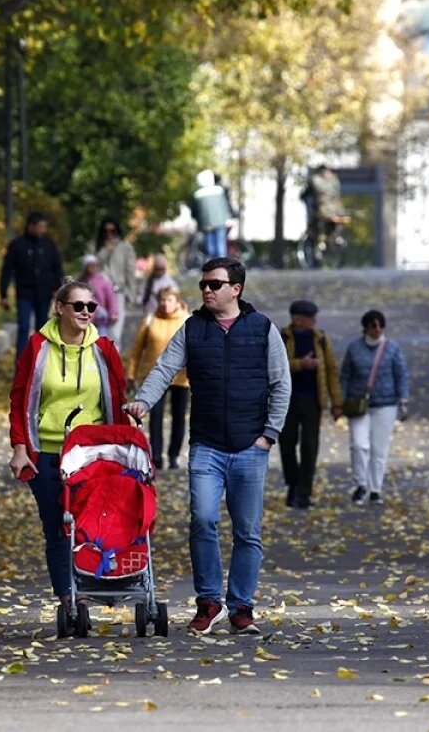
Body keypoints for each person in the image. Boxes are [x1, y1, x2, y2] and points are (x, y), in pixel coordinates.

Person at [125, 257, 291, 636]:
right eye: (203, 284)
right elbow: (165, 369)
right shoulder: (193, 329)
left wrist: (269, 434)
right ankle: (209, 602)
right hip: (207, 446)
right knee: (202, 520)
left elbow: (281, 383)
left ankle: (241, 607)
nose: (207, 290)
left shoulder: (262, 329)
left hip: (251, 447)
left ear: (236, 289)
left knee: (247, 531)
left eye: (215, 284)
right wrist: (143, 402)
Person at [8, 279, 129, 619]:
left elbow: (117, 399)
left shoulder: (104, 348)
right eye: (78, 306)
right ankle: (69, 597)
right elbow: (19, 399)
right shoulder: (37, 347)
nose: (86, 312)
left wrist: (124, 445)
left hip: (93, 454)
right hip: (47, 450)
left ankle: (89, 586)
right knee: (57, 526)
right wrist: (19, 446)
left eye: (91, 307)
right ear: (60, 308)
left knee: (91, 523)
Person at [339, 309, 409, 506]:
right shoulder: (354, 348)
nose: (377, 329)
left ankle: (375, 489)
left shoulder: (392, 348)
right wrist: (341, 400)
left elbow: (401, 374)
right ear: (366, 328)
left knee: (379, 448)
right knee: (359, 444)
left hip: (386, 404)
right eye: (373, 325)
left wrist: (403, 399)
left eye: (380, 325)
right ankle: (360, 484)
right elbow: (345, 375)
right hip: (358, 403)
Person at [278, 300, 343, 509]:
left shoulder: (320, 339)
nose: (314, 321)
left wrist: (336, 403)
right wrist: (301, 364)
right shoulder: (282, 337)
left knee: (310, 447)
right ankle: (293, 485)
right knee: (287, 445)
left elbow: (331, 370)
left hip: (313, 400)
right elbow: (274, 367)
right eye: (310, 317)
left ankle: (304, 492)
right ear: (298, 320)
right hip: (286, 400)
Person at [126, 285, 191, 471]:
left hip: (181, 378)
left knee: (179, 417)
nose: (165, 304)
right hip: (154, 376)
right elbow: (137, 350)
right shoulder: (150, 319)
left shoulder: (187, 320)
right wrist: (131, 374)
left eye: (169, 300)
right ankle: (156, 456)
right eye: (162, 300)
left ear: (177, 302)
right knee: (156, 417)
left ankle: (173, 456)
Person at [0, 211, 64, 354]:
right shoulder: (17, 245)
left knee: (42, 329)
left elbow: (57, 268)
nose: (43, 230)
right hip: (24, 293)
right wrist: (3, 294)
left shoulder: (49, 245)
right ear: (31, 226)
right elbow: (7, 270)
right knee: (23, 327)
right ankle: (21, 362)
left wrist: (58, 289)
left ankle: (39, 359)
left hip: (44, 293)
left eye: (45, 227)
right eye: (40, 226)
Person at [94, 218, 138, 347]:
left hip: (118, 292)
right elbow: (92, 268)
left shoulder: (125, 247)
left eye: (112, 231)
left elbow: (130, 272)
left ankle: (113, 356)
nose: (109, 234)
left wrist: (132, 294)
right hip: (98, 295)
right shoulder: (96, 246)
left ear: (117, 231)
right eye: (106, 231)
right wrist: (105, 251)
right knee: (97, 332)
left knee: (115, 332)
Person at [301, 165, 345, 269]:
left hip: (323, 211)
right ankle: (335, 238)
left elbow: (305, 195)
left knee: (316, 225)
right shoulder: (335, 180)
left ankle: (319, 245)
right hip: (337, 211)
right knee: (333, 225)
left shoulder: (315, 180)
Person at [190, 170, 234, 260]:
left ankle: (213, 266)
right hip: (220, 222)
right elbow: (226, 205)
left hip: (206, 224)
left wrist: (197, 222)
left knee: (210, 249)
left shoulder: (198, 194)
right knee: (221, 247)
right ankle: (223, 266)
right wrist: (230, 216)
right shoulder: (219, 190)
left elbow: (195, 212)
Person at [80, 254, 118, 338]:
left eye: (94, 265)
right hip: (86, 316)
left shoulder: (102, 281)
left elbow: (111, 298)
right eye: (90, 266)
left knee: (101, 338)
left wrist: (113, 313)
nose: (92, 268)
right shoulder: (81, 282)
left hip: (100, 317)